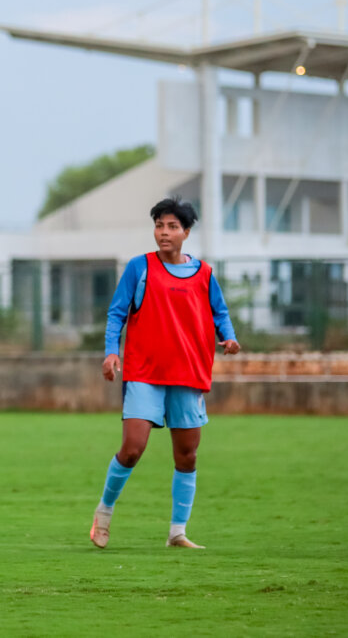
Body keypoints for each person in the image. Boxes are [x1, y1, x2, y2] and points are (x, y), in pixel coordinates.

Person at [90, 196, 240, 550]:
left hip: (188, 374)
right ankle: (104, 514)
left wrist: (229, 337)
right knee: (132, 448)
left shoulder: (204, 273)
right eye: (159, 225)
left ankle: (177, 532)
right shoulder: (139, 268)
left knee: (187, 455)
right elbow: (116, 314)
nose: (164, 232)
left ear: (186, 232)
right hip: (144, 372)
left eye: (172, 226)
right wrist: (112, 352)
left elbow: (220, 312)